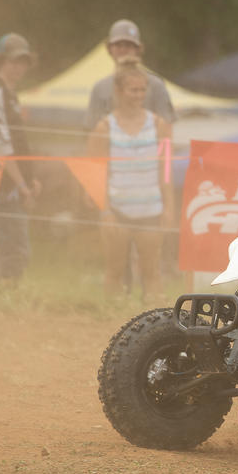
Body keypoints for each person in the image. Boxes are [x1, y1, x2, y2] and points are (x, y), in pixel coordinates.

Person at [87, 58, 174, 302]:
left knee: (152, 272)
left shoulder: (159, 125)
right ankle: (108, 319)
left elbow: (165, 170)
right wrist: (105, 211)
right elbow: (96, 173)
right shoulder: (104, 128)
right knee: (114, 271)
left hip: (151, 209)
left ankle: (154, 326)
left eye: (142, 90)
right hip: (118, 208)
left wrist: (169, 206)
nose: (138, 95)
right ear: (118, 91)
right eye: (133, 90)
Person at [0, 33, 42, 285]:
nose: (18, 67)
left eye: (23, 61)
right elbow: (0, 145)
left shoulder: (10, 95)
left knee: (15, 246)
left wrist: (30, 178)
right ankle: (0, 300)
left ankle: (2, 298)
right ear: (0, 61)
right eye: (13, 61)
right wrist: (22, 185)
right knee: (15, 248)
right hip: (1, 182)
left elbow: (18, 142)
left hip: (13, 181)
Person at [85, 19, 175, 131]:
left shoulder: (156, 85)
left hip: (149, 147)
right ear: (109, 49)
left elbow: (166, 129)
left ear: (139, 49)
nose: (123, 50)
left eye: (128, 45)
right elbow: (92, 132)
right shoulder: (100, 88)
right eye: (118, 45)